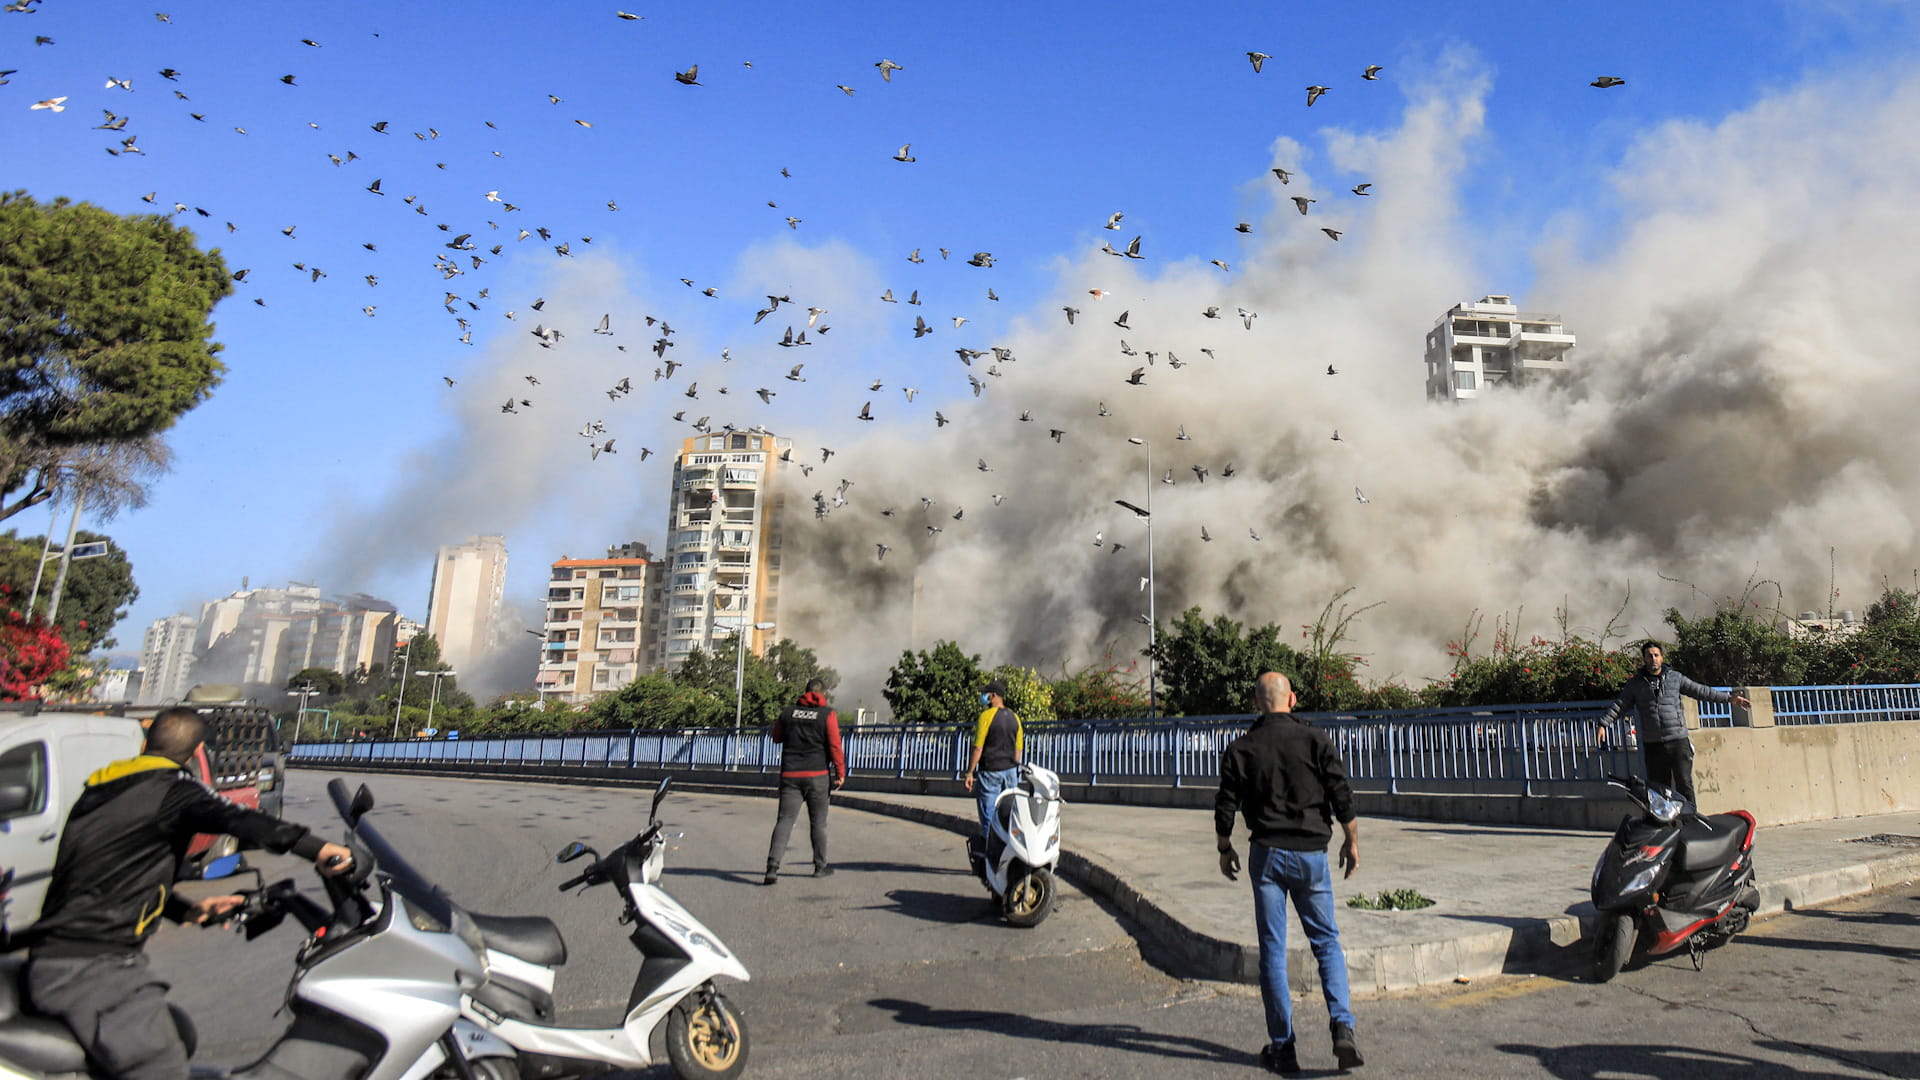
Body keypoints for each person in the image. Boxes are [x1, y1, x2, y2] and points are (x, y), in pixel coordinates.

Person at [21, 707, 355, 1080]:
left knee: (177, 1032)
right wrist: (318, 849)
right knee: (159, 1065)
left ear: (147, 742)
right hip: (90, 966)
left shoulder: (102, 789)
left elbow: (109, 872)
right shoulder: (172, 791)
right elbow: (238, 819)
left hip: (69, 956)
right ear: (198, 751)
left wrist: (185, 909)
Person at [1215, 672, 1362, 1075]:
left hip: (1267, 857)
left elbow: (1226, 803)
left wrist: (1224, 846)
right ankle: (1343, 1026)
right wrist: (1351, 840)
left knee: (1273, 953)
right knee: (1327, 942)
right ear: (1292, 699)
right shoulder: (1317, 740)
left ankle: (1283, 1047)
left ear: (1256, 703)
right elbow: (1340, 793)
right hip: (1312, 854)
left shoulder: (1241, 748)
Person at [1596, 642, 1750, 807]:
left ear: (1662, 658)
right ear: (1644, 659)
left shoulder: (1675, 678)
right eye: (1649, 655)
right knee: (1658, 789)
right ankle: (1664, 825)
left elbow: (1701, 691)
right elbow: (1620, 704)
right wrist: (1604, 723)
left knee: (1684, 784)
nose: (1653, 659)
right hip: (1653, 744)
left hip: (1678, 740)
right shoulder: (1635, 684)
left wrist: (1728, 698)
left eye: (1656, 655)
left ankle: (1690, 822)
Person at [762, 679, 845, 884]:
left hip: (790, 776)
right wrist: (840, 772)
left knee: (785, 820)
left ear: (805, 692)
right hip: (818, 776)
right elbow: (835, 745)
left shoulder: (788, 713)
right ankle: (820, 866)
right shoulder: (827, 715)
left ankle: (772, 868)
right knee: (818, 823)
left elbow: (776, 737)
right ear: (822, 694)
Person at [961, 679, 1023, 841]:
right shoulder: (1015, 718)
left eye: (985, 694)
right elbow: (1018, 750)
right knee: (1009, 815)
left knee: (989, 815)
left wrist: (969, 772)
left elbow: (978, 748)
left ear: (993, 695)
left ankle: (990, 852)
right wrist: (1013, 769)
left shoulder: (986, 717)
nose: (983, 697)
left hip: (990, 772)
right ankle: (1008, 849)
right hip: (1010, 773)